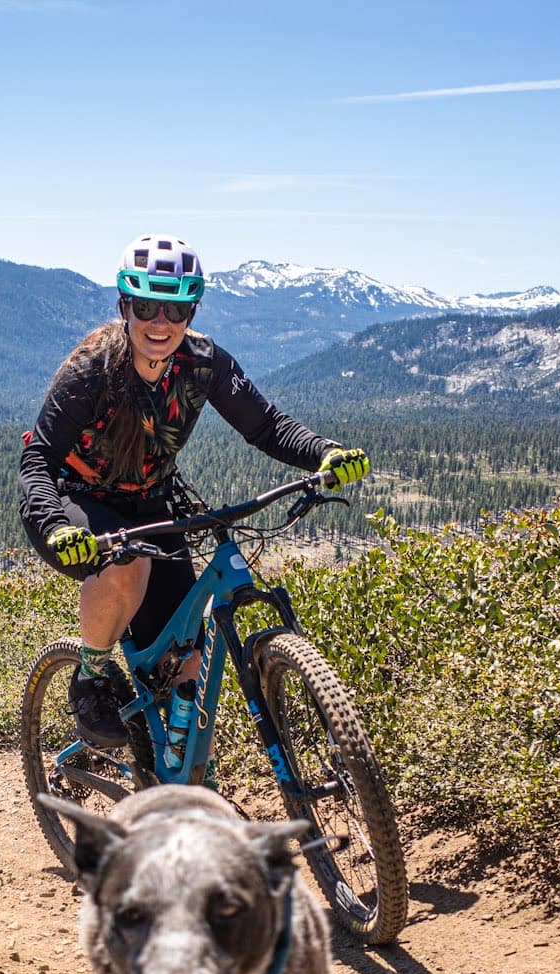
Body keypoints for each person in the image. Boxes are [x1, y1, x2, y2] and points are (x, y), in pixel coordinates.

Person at [20, 233, 369, 749]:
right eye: (147, 306)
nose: (161, 323)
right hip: (73, 501)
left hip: (150, 502)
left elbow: (266, 425)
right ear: (126, 306)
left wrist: (323, 452)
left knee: (188, 662)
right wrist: (56, 526)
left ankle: (174, 770)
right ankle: (91, 675)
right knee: (126, 563)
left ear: (192, 310)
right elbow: (38, 458)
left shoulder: (205, 362)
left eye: (177, 308)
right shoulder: (93, 366)